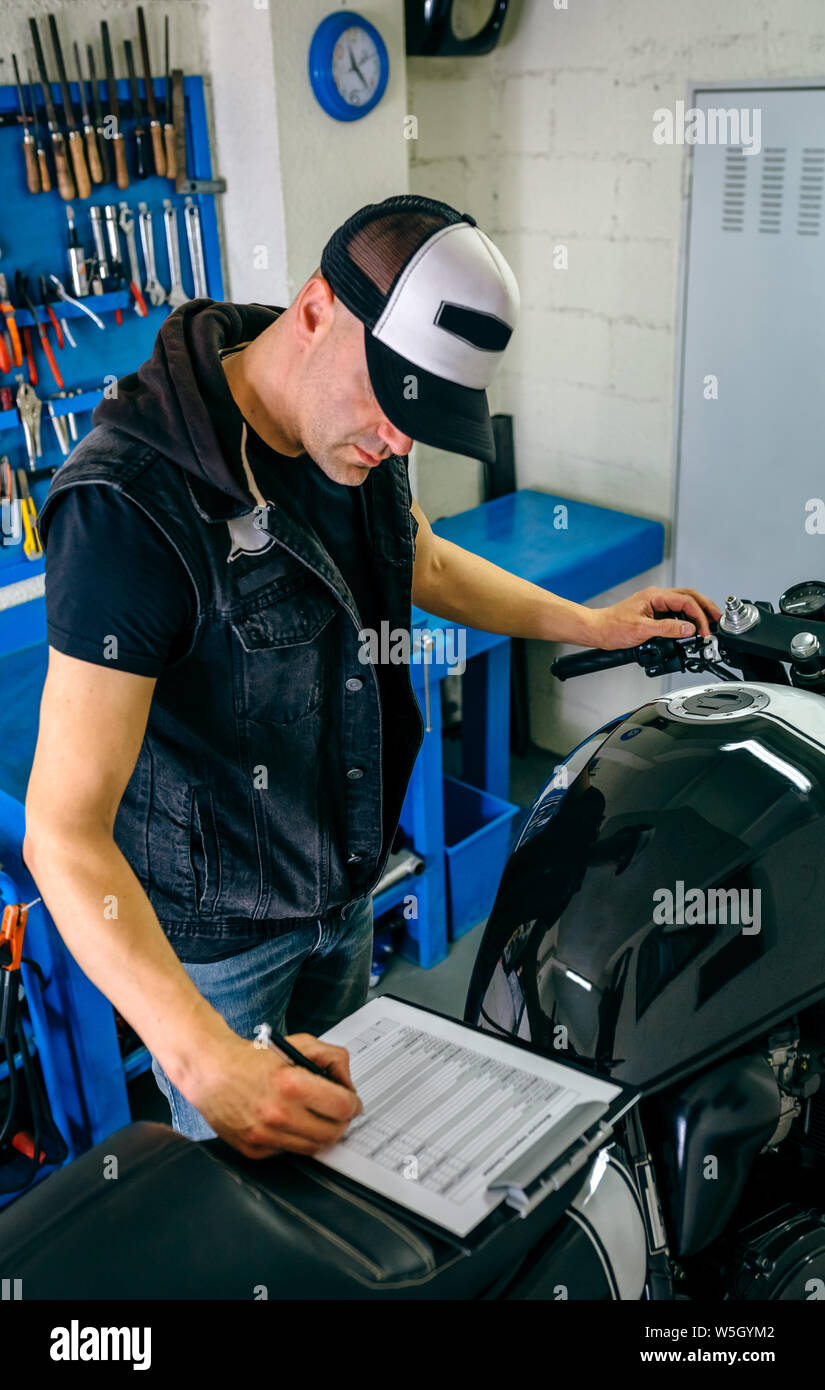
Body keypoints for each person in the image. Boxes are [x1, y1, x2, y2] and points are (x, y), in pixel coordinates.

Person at [23, 194, 721, 1158]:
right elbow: (62, 833)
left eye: (418, 416)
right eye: (389, 403)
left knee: (336, 1156)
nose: (399, 441)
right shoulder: (126, 508)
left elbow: (418, 557)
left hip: (343, 885)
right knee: (245, 1194)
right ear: (316, 311)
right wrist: (196, 1056)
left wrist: (591, 621)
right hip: (221, 940)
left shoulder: (346, 433)